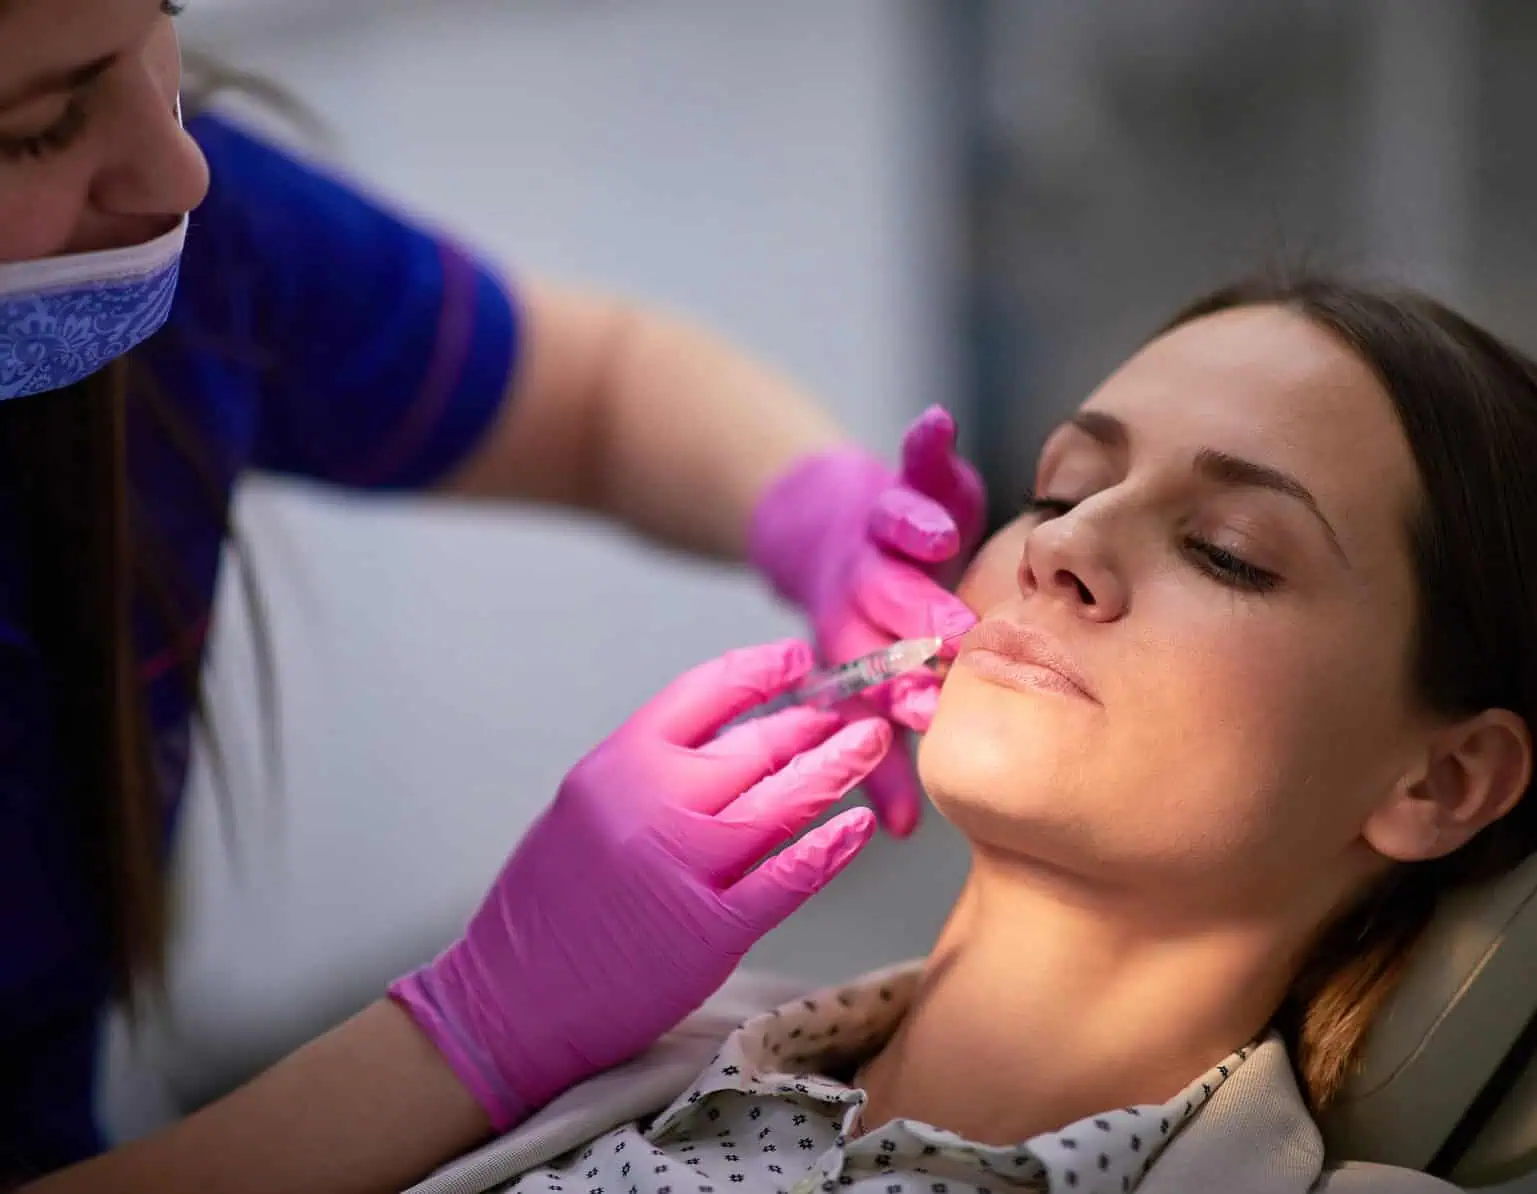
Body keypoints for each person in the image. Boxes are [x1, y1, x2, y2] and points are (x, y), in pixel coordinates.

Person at [0, 2, 985, 1188]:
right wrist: (471, 1029)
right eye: (39, 128)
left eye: (158, 18)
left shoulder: (205, 242)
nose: (182, 171)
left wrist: (818, 516)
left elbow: (601, 395)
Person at [393, 274, 1537, 1194]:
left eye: (1228, 549)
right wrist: (463, 1035)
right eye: (1060, 489)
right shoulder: (624, 1052)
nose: (1058, 547)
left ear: (1439, 781)